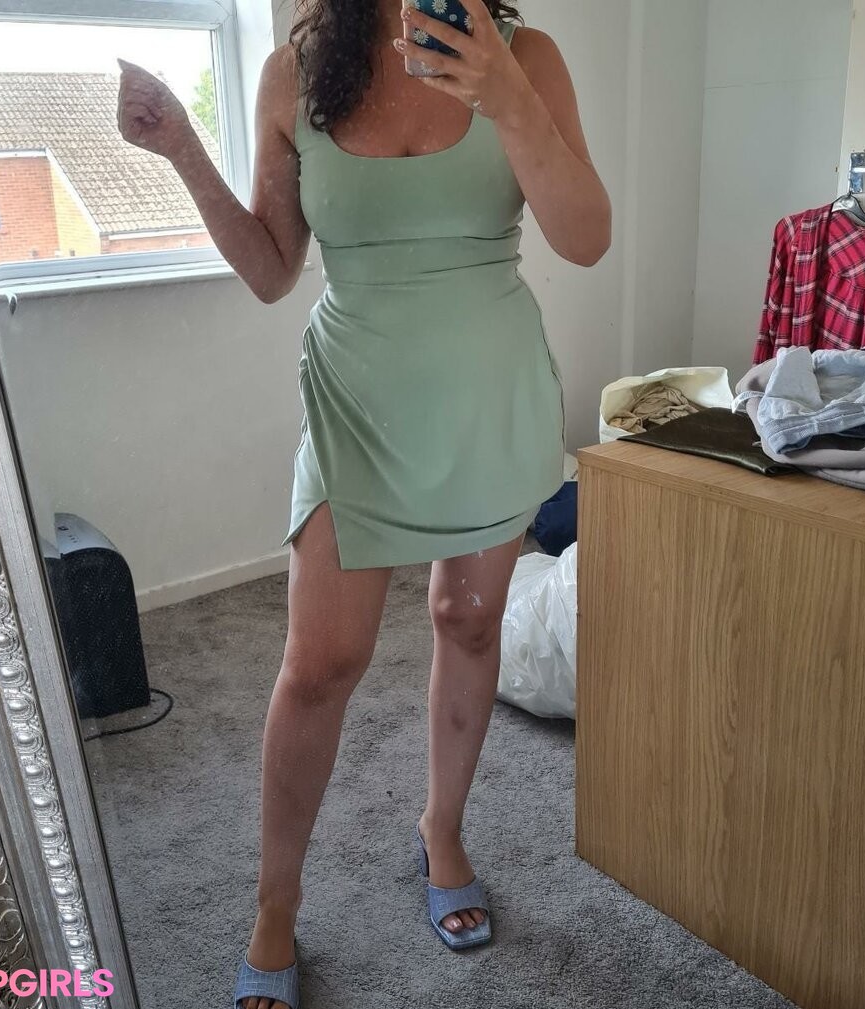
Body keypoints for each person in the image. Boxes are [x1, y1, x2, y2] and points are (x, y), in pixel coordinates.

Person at [118, 0, 610, 1003]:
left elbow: (587, 239)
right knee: (320, 663)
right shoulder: (296, 73)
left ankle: (442, 830)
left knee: (469, 618)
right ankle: (275, 904)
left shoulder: (526, 56)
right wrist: (182, 151)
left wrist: (508, 98)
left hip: (488, 395)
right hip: (357, 401)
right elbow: (272, 270)